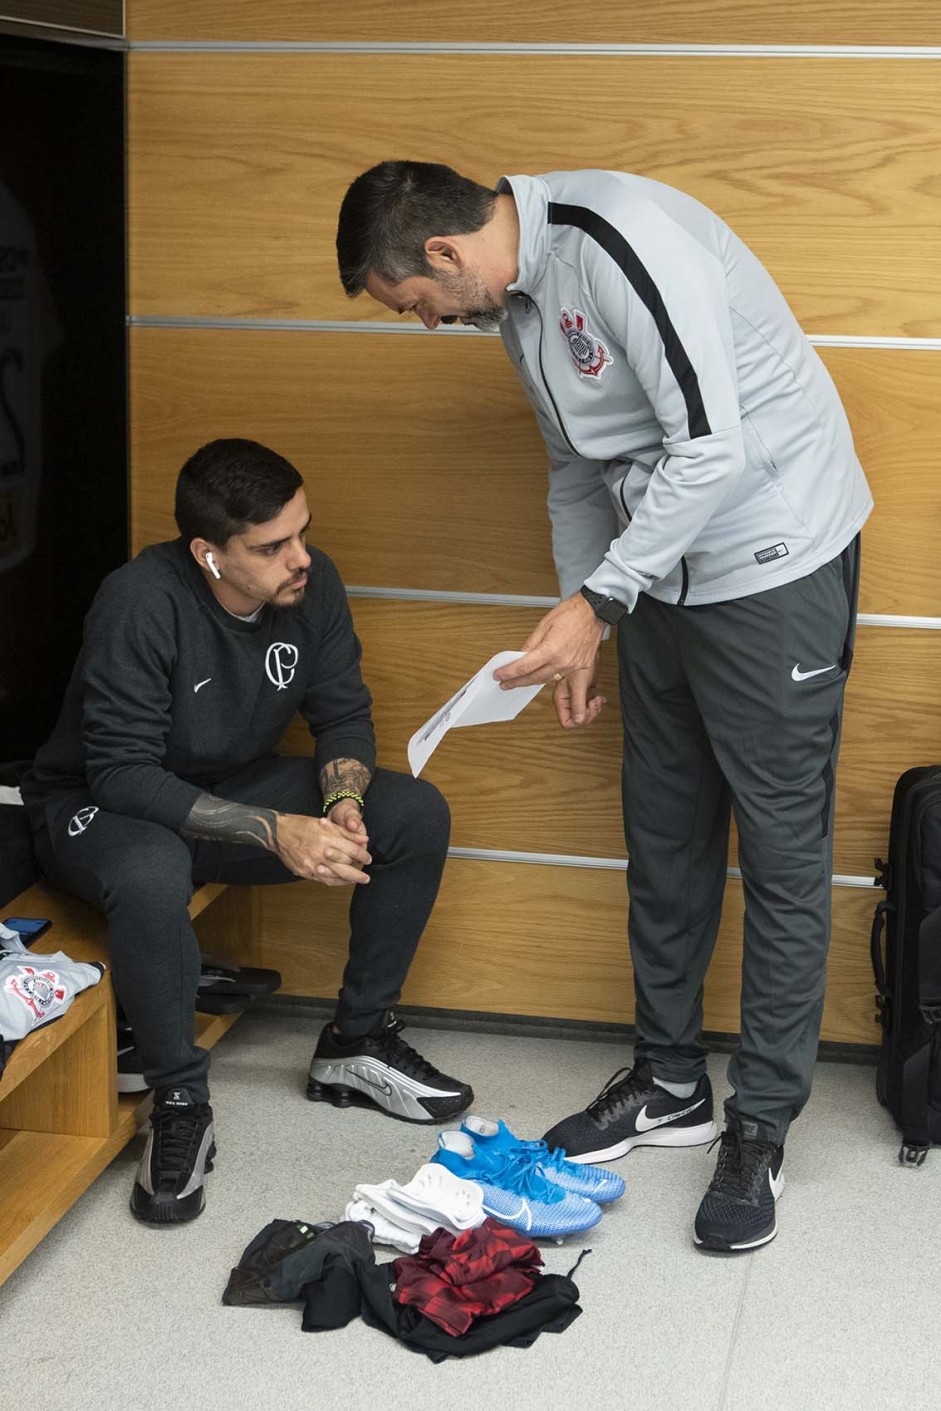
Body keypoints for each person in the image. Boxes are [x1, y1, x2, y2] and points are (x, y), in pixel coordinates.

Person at [336, 161, 872, 1252]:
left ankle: (760, 1121)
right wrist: (585, 616)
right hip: (656, 574)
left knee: (776, 848)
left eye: (414, 306)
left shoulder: (622, 243)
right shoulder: (515, 302)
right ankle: (670, 1080)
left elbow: (711, 445)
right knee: (663, 828)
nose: (428, 324)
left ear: (442, 255)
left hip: (770, 557)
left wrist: (600, 598)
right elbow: (574, 467)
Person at [21, 437, 473, 1226]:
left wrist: (343, 802)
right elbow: (121, 770)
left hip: (226, 781)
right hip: (100, 800)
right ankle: (179, 1099)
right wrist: (276, 830)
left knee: (414, 812)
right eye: (271, 547)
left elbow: (341, 710)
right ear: (209, 554)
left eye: (302, 531)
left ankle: (355, 1043)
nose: (300, 557)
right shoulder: (139, 600)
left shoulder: (312, 581)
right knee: (153, 871)